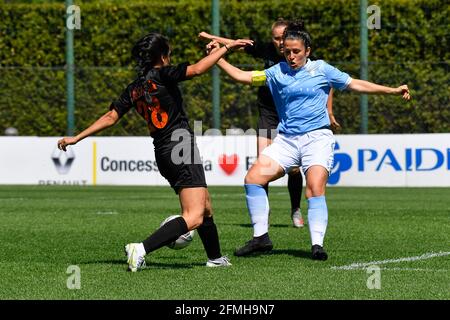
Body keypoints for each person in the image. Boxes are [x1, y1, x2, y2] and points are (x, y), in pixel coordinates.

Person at [206, 21, 410, 260]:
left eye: (296, 52)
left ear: (307, 51)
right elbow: (241, 76)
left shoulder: (322, 69)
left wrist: (392, 91)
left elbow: (355, 84)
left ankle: (317, 245)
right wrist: (217, 57)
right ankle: (261, 238)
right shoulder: (276, 72)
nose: (291, 56)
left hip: (317, 139)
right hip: (287, 141)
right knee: (253, 179)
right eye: (287, 51)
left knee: (314, 189)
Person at [57, 32, 253, 271]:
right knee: (194, 216)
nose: (170, 57)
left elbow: (111, 117)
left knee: (205, 206)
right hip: (180, 145)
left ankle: (215, 257)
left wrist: (77, 137)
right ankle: (140, 248)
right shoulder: (162, 74)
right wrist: (227, 48)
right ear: (162, 56)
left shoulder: (135, 88)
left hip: (162, 150)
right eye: (168, 53)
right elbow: (198, 70)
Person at [199, 19, 340, 231]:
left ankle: (295, 209)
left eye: (282, 37)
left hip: (293, 118)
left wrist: (328, 111)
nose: (280, 43)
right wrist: (213, 39)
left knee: (293, 170)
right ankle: (262, 217)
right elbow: (239, 43)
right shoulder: (266, 51)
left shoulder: (301, 55)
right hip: (268, 113)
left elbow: (327, 83)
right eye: (275, 38)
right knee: (262, 165)